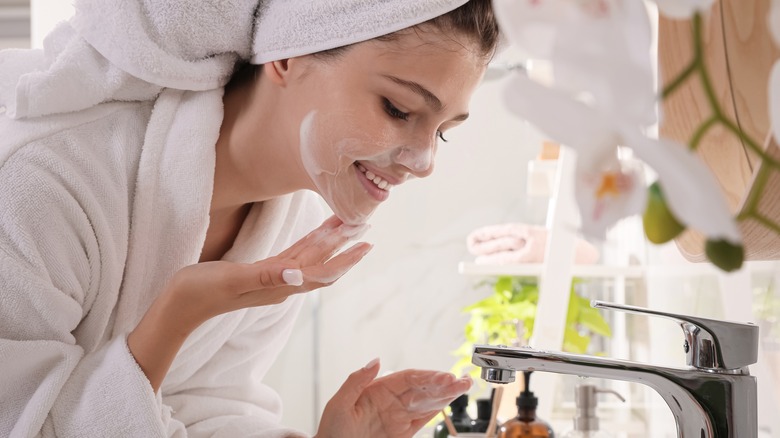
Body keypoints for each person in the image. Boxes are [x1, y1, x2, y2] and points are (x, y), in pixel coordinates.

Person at [0, 0, 500, 436]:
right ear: (288, 55)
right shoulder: (48, 181)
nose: (424, 162)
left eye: (444, 132)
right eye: (398, 108)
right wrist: (177, 314)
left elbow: (200, 408)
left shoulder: (293, 226)